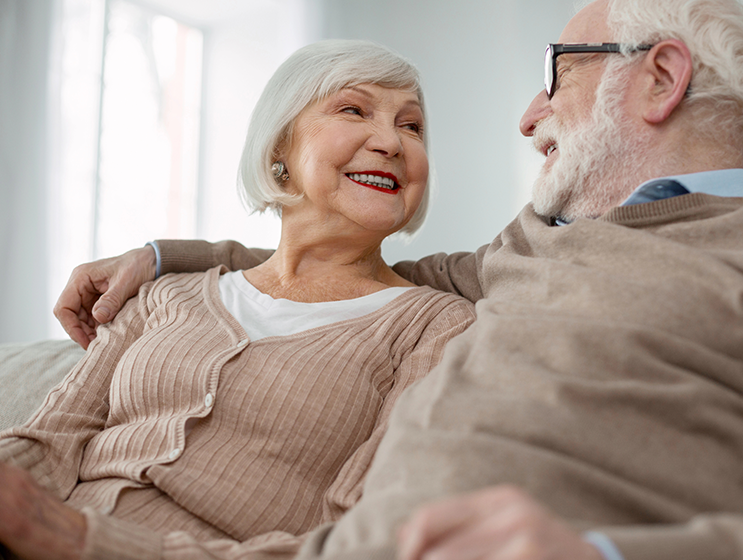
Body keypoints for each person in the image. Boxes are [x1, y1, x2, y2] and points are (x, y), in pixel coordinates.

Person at [51, 0, 743, 559]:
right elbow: (334, 265)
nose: (529, 117)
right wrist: (160, 258)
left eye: (556, 72)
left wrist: (605, 553)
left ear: (661, 78)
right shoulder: (525, 249)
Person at [0, 39, 475, 560]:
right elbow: (47, 440)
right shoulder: (167, 293)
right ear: (279, 149)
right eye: (353, 109)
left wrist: (80, 541)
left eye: (412, 126)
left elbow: (357, 540)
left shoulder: (438, 327)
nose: (392, 141)